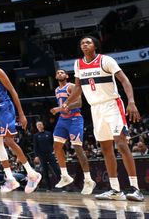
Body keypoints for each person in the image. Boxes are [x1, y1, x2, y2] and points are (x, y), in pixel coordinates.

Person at [62, 35, 143, 201]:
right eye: (82, 43)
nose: (84, 44)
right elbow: (78, 88)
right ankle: (115, 190)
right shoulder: (78, 64)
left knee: (121, 144)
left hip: (112, 105)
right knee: (106, 149)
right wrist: (67, 103)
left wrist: (131, 101)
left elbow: (124, 80)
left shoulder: (106, 60)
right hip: (95, 108)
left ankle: (136, 188)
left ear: (95, 46)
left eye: (88, 42)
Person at [0, 64, 42, 193]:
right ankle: (10, 179)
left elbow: (12, 91)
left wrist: (22, 114)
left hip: (4, 107)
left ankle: (32, 173)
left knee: (9, 141)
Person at [50, 69, 95, 194]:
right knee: (56, 147)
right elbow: (62, 107)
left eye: (62, 72)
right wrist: (59, 110)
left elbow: (79, 103)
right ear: (55, 76)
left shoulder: (72, 86)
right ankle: (65, 176)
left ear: (67, 75)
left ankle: (88, 180)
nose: (59, 74)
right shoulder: (57, 90)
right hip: (62, 120)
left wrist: (61, 108)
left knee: (78, 148)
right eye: (58, 72)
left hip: (75, 119)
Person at [33, 121, 61, 190]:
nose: (39, 126)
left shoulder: (49, 133)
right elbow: (35, 146)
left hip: (50, 153)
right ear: (36, 127)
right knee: (45, 171)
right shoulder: (36, 136)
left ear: (43, 125)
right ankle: (49, 187)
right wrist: (36, 156)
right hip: (42, 155)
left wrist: (55, 151)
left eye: (40, 124)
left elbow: (53, 143)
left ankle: (61, 184)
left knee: (56, 169)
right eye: (38, 125)